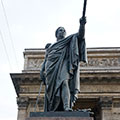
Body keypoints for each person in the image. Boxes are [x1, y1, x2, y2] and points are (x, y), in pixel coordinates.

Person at [40, 17, 87, 112]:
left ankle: (66, 107)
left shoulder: (68, 41)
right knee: (51, 91)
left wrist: (82, 25)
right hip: (50, 69)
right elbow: (45, 60)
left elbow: (80, 36)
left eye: (64, 30)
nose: (62, 31)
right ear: (56, 33)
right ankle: (53, 107)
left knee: (64, 82)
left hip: (63, 64)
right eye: (60, 30)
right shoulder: (51, 47)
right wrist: (42, 71)